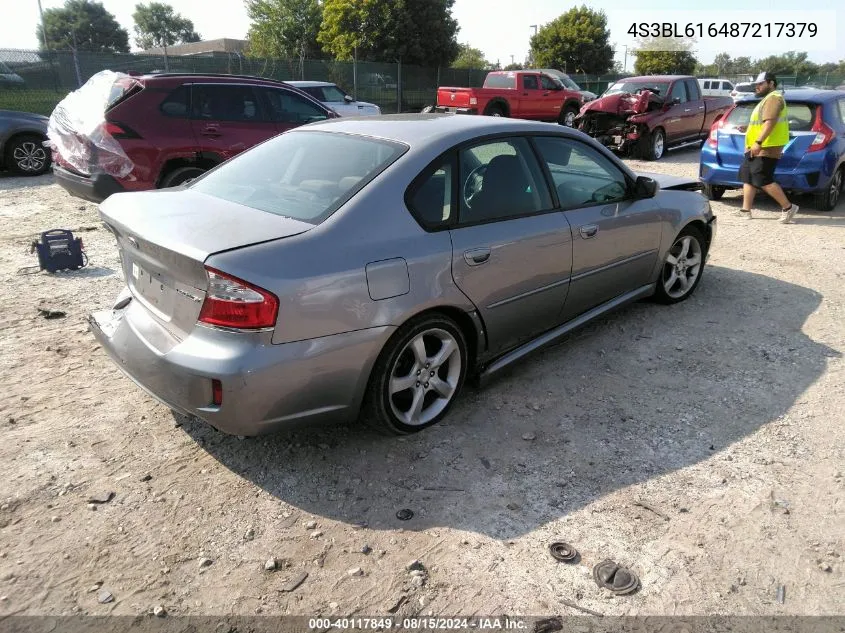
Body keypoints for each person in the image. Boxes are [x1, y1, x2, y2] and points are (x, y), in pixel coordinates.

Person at [737, 71, 799, 223]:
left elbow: (770, 123)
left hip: (766, 147)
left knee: (762, 179)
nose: (757, 87)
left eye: (760, 84)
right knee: (748, 177)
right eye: (756, 84)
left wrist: (758, 142)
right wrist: (748, 128)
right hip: (755, 147)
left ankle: (788, 208)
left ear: (771, 83)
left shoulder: (773, 99)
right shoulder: (766, 100)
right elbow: (762, 123)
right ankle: (746, 210)